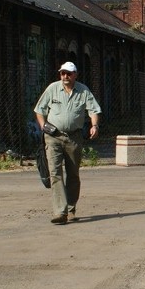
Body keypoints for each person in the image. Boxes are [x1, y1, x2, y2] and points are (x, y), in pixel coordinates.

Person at [34, 61, 101, 225]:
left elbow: (94, 110)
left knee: (73, 174)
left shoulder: (83, 90)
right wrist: (43, 126)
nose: (65, 76)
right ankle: (60, 212)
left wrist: (94, 125)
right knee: (55, 173)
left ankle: (71, 208)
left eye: (68, 73)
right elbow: (39, 110)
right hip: (53, 136)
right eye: (62, 73)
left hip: (74, 137)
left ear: (75, 75)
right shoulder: (52, 89)